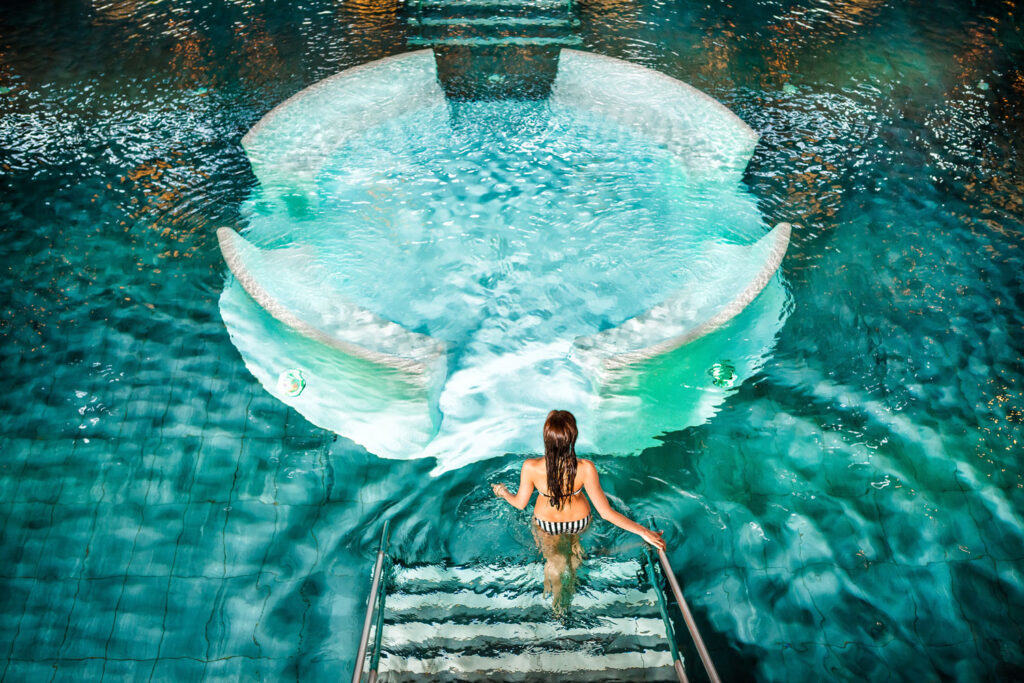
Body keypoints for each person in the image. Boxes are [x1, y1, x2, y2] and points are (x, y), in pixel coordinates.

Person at [492, 409, 666, 610]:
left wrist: (503, 492)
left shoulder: (531, 466)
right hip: (579, 521)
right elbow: (606, 513)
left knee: (554, 560)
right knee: (574, 554)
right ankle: (571, 586)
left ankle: (558, 605)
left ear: (546, 438)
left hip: (547, 523)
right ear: (573, 437)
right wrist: (643, 531)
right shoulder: (585, 467)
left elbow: (520, 503)